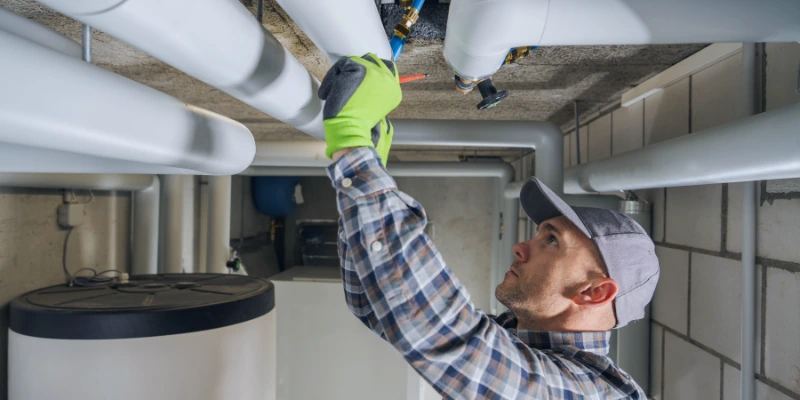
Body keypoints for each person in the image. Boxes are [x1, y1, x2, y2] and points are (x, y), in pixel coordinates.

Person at [318, 53, 660, 399]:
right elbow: (376, 307)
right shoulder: (522, 341)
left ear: (594, 292)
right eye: (541, 236)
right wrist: (367, 164)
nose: (520, 247)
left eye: (552, 241)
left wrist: (354, 147)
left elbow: (453, 340)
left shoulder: (597, 394)